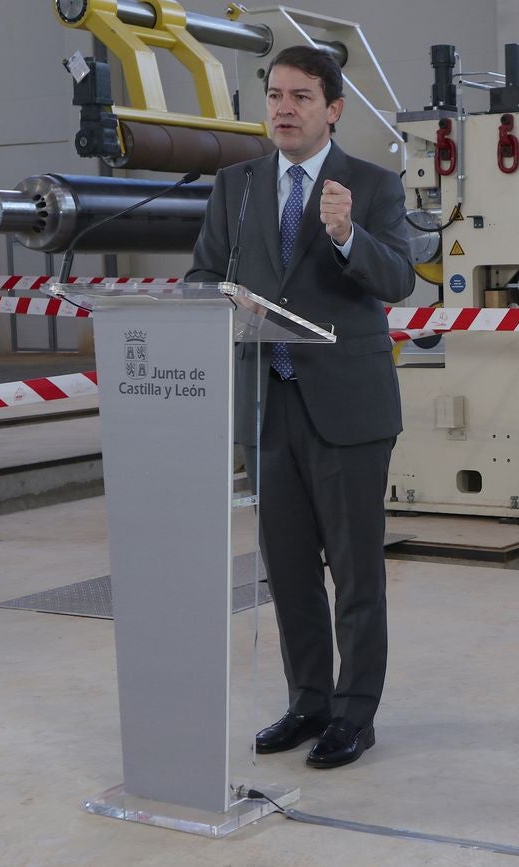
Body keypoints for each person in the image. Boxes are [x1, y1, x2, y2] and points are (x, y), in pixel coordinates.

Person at [188, 45, 414, 769]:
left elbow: (402, 278)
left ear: (333, 109)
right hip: (267, 401)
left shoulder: (372, 186)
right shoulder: (238, 186)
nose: (284, 109)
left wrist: (349, 236)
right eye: (276, 96)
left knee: (354, 572)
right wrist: (223, 297)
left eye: (301, 98)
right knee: (286, 569)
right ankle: (309, 698)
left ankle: (355, 712)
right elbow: (201, 273)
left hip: (346, 406)